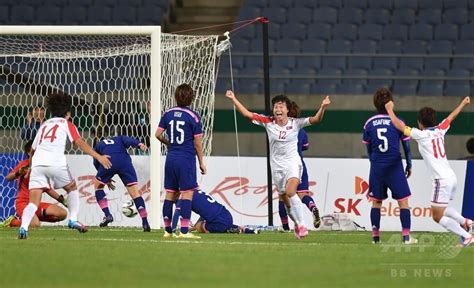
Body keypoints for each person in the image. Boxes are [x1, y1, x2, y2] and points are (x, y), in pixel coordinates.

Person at [225, 90, 331, 239]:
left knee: (290, 191)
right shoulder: (268, 122)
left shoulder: (296, 123)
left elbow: (315, 120)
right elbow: (247, 114)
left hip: (293, 164)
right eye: (276, 107)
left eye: (281, 107)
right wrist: (233, 99)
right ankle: (296, 224)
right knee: (285, 201)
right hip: (276, 168)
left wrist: (323, 107)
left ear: (287, 109)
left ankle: (302, 225)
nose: (278, 109)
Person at [18, 92, 112, 239]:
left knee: (33, 202)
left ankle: (23, 228)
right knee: (72, 188)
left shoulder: (44, 126)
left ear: (51, 111)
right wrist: (98, 156)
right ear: (67, 113)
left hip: (37, 164)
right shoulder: (67, 124)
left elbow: (33, 150)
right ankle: (73, 219)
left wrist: (30, 167)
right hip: (56, 163)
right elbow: (79, 142)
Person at [385, 97, 473, 247]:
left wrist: (389, 110)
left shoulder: (421, 135)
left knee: (436, 216)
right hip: (451, 177)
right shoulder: (440, 130)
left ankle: (467, 236)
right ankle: (467, 222)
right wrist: (463, 104)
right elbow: (451, 117)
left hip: (441, 180)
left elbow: (400, 126)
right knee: (441, 208)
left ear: (420, 123)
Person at [362, 88, 415, 244]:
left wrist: (374, 163)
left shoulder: (369, 123)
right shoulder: (398, 121)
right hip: (394, 166)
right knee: (403, 201)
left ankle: (375, 237)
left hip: (377, 166)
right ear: (390, 102)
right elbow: (406, 146)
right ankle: (406, 236)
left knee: (376, 202)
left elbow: (368, 148)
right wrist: (409, 164)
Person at [155, 83, 206, 239]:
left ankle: (167, 231)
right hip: (186, 159)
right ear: (191, 98)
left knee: (170, 194)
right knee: (187, 194)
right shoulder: (194, 117)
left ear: (176, 97)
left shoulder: (168, 113)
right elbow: (197, 143)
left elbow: (157, 135)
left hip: (171, 158)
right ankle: (184, 231)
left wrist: (169, 143)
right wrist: (201, 162)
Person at [1, 140, 67, 228]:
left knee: (62, 214)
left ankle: (32, 218)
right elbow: (8, 178)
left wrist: (63, 201)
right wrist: (18, 173)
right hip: (23, 203)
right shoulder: (24, 165)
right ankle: (12, 222)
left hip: (36, 204)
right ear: (29, 153)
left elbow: (47, 189)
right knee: (35, 225)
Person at [93, 135, 150, 232]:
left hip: (109, 161)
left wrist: (106, 178)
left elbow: (96, 162)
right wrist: (139, 144)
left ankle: (108, 215)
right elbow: (129, 140)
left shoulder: (98, 145)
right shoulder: (118, 138)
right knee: (135, 194)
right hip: (124, 162)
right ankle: (145, 222)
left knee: (98, 188)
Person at [278, 101, 320, 231]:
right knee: (302, 194)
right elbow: (305, 147)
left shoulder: (280, 128)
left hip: (285, 166)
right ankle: (313, 207)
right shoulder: (301, 130)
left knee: (283, 196)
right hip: (300, 165)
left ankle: (285, 226)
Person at [190, 190, 259, 234]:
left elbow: (181, 211)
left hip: (219, 223)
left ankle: (229, 230)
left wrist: (192, 227)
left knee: (199, 227)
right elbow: (204, 211)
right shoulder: (200, 192)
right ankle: (246, 230)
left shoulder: (187, 197)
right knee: (224, 224)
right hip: (227, 216)